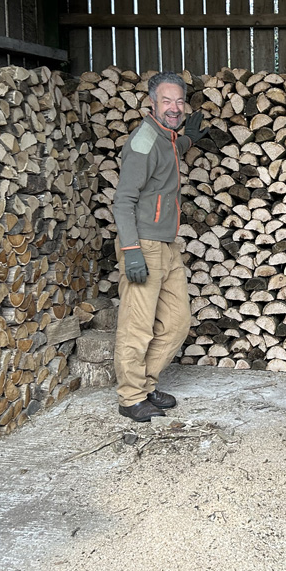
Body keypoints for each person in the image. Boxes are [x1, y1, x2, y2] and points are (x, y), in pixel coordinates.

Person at [111, 71, 205, 422]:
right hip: (144, 244)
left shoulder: (166, 139)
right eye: (167, 100)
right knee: (137, 326)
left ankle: (145, 384)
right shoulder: (144, 141)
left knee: (178, 322)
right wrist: (131, 250)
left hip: (167, 245)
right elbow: (122, 202)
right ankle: (130, 396)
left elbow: (173, 150)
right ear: (152, 102)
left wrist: (189, 139)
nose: (174, 107)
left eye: (180, 101)